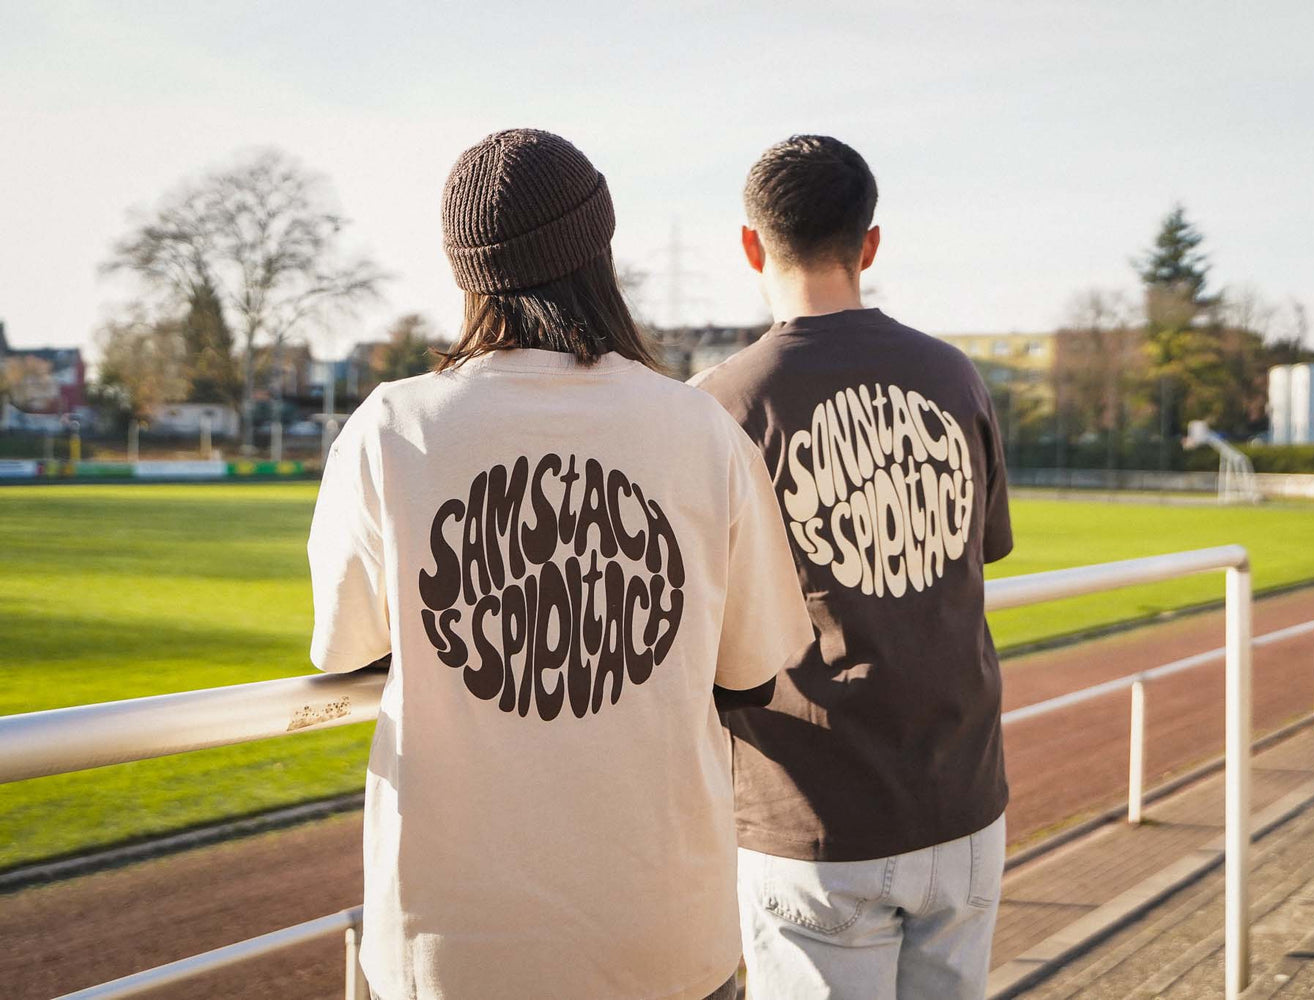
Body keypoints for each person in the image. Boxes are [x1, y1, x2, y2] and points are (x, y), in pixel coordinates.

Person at [307, 129, 814, 1000]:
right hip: (665, 944)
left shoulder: (390, 428)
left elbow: (346, 655)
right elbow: (752, 675)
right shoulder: (701, 430)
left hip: (451, 955)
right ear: (600, 250)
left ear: (465, 270)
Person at [691, 135, 1015, 1000]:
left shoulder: (718, 407)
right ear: (869, 244)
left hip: (811, 818)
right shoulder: (954, 375)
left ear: (753, 246)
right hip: (964, 800)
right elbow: (971, 555)